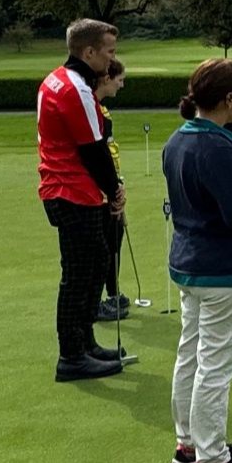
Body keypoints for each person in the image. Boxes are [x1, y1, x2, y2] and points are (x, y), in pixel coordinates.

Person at [163, 58, 232, 463]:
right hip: (223, 269)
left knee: (191, 353)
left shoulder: (177, 141)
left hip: (189, 263)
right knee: (215, 367)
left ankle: (189, 445)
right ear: (228, 99)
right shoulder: (219, 148)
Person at [38, 19, 127, 381]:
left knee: (94, 262)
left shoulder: (55, 78)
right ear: (88, 52)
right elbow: (94, 150)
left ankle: (85, 342)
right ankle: (71, 354)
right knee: (79, 272)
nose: (112, 59)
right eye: (109, 51)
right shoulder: (76, 89)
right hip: (73, 191)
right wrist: (115, 190)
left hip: (65, 188)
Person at [92, 59, 134, 330]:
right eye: (119, 79)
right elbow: (99, 156)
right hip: (98, 193)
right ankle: (95, 301)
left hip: (108, 188)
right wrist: (113, 188)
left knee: (112, 241)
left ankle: (111, 294)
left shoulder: (102, 111)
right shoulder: (97, 114)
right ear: (106, 78)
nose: (122, 84)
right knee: (102, 247)